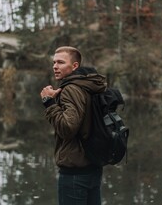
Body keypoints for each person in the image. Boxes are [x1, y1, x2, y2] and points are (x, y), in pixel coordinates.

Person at [40, 46, 107, 205]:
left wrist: (48, 103)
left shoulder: (71, 89)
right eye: (54, 62)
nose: (55, 66)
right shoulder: (89, 86)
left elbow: (68, 128)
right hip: (92, 166)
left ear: (75, 66)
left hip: (74, 174)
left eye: (61, 62)